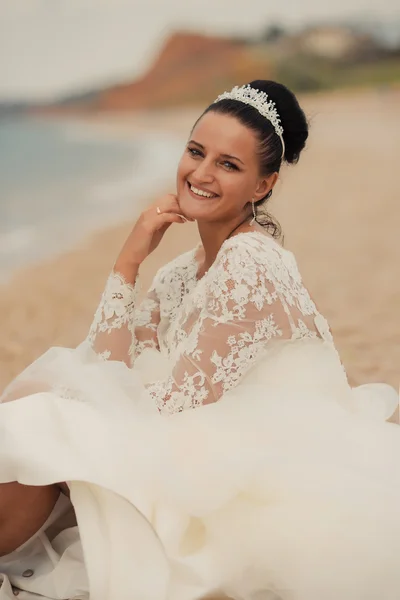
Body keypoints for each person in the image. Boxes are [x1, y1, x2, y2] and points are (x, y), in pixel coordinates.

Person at [0, 80, 399, 600]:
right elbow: (105, 364)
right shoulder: (181, 272)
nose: (201, 173)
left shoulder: (251, 263)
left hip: (239, 468)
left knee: (45, 415)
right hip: (185, 439)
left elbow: (172, 410)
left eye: (228, 165)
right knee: (49, 403)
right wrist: (128, 262)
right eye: (196, 152)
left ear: (262, 186)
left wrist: (67, 408)